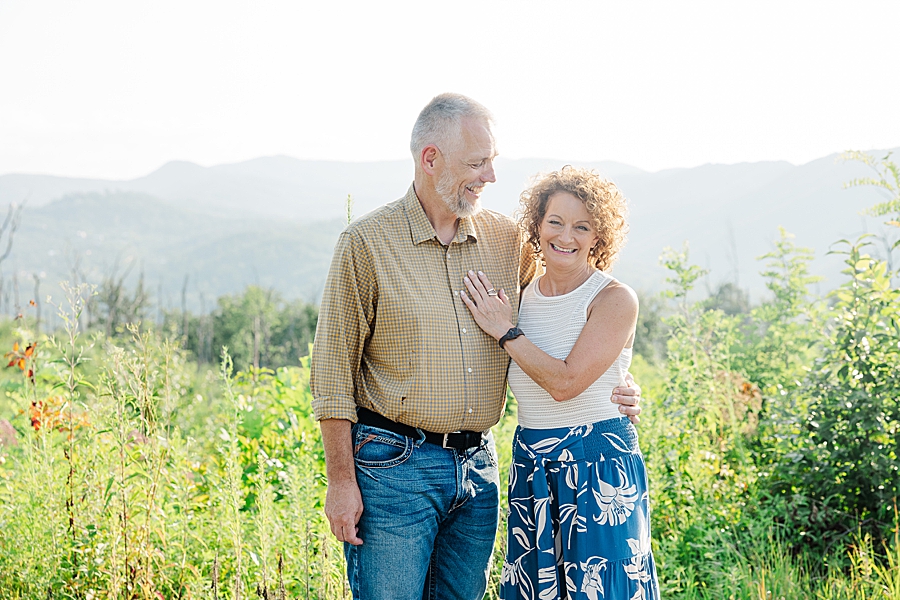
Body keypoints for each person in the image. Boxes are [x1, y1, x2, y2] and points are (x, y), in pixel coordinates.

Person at [310, 94, 643, 600]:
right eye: (476, 163)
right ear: (430, 158)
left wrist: (616, 382)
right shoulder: (367, 243)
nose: (490, 176)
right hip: (393, 470)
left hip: (479, 470)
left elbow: (561, 313)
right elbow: (332, 371)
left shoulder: (508, 242)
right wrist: (340, 482)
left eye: (492, 160)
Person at [461, 166, 660, 600]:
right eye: (555, 221)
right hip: (532, 461)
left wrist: (504, 330)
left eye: (581, 226)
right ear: (537, 225)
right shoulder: (519, 294)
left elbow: (566, 383)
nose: (565, 236)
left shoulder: (613, 298)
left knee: (602, 590)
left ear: (598, 237)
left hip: (597, 460)